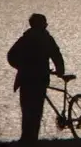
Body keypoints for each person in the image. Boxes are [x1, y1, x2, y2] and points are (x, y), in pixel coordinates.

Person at [7, 13, 65, 145]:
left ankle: (26, 138)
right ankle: (32, 138)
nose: (46, 25)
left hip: (26, 78)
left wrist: (20, 67)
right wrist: (60, 71)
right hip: (39, 78)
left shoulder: (25, 38)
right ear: (40, 24)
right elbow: (56, 54)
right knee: (36, 109)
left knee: (27, 108)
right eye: (45, 23)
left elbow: (11, 55)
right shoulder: (46, 38)